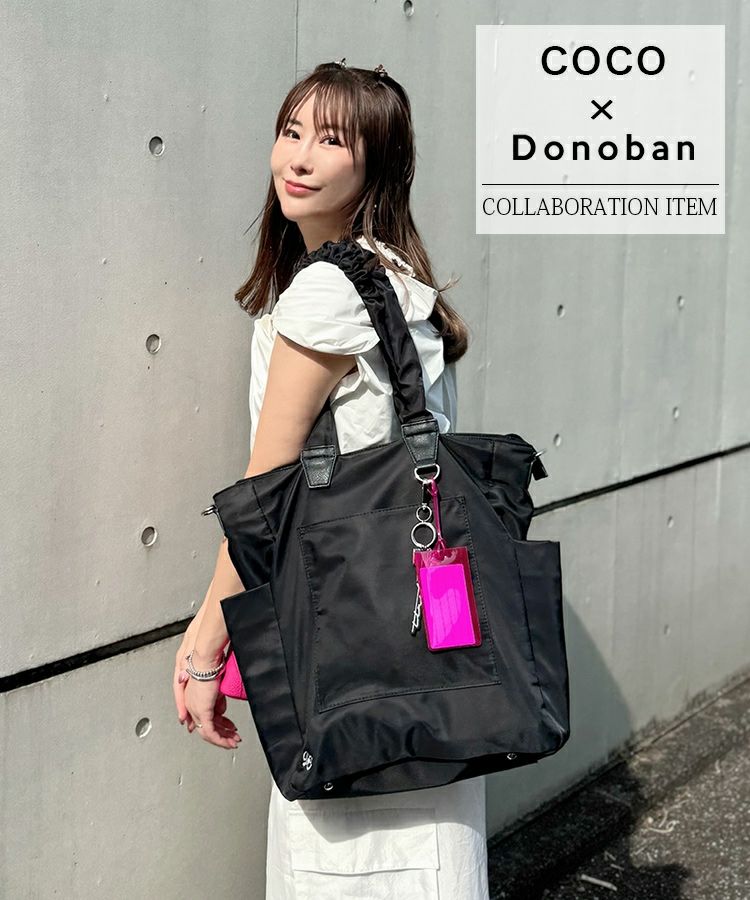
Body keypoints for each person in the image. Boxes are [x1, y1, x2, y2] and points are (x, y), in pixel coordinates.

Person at [173, 59, 490, 899]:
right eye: (291, 132)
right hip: (421, 642)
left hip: (347, 649)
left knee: (344, 866)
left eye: (332, 140)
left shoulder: (326, 294)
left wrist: (206, 645)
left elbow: (267, 492)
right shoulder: (400, 284)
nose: (300, 157)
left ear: (377, 164)